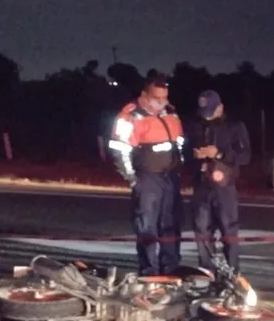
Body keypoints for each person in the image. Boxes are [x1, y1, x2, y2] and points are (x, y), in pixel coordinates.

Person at [107, 73, 185, 276]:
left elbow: (179, 142)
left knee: (170, 223)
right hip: (147, 177)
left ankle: (170, 266)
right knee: (147, 225)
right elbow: (119, 148)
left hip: (170, 177)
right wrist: (132, 178)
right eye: (157, 98)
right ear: (145, 95)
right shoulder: (131, 115)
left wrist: (181, 163)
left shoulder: (171, 112)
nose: (161, 102)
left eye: (164, 98)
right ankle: (149, 270)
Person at [188, 89, 251, 275]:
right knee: (202, 232)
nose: (206, 117)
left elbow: (245, 156)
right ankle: (207, 273)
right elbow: (185, 151)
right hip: (201, 185)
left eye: (210, 112)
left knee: (229, 231)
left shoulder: (234, 126)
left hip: (225, 188)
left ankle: (232, 273)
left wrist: (219, 154)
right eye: (203, 112)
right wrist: (195, 156)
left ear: (220, 108)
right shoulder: (197, 126)